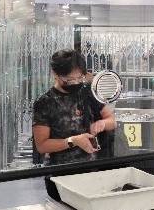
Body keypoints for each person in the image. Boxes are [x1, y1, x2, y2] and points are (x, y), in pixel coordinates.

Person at [33, 49, 116, 200]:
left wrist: (102, 124)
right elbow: (42, 145)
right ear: (55, 74)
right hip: (61, 178)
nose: (76, 83)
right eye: (70, 79)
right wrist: (73, 141)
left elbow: (112, 121)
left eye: (80, 78)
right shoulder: (45, 103)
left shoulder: (88, 93)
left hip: (94, 174)